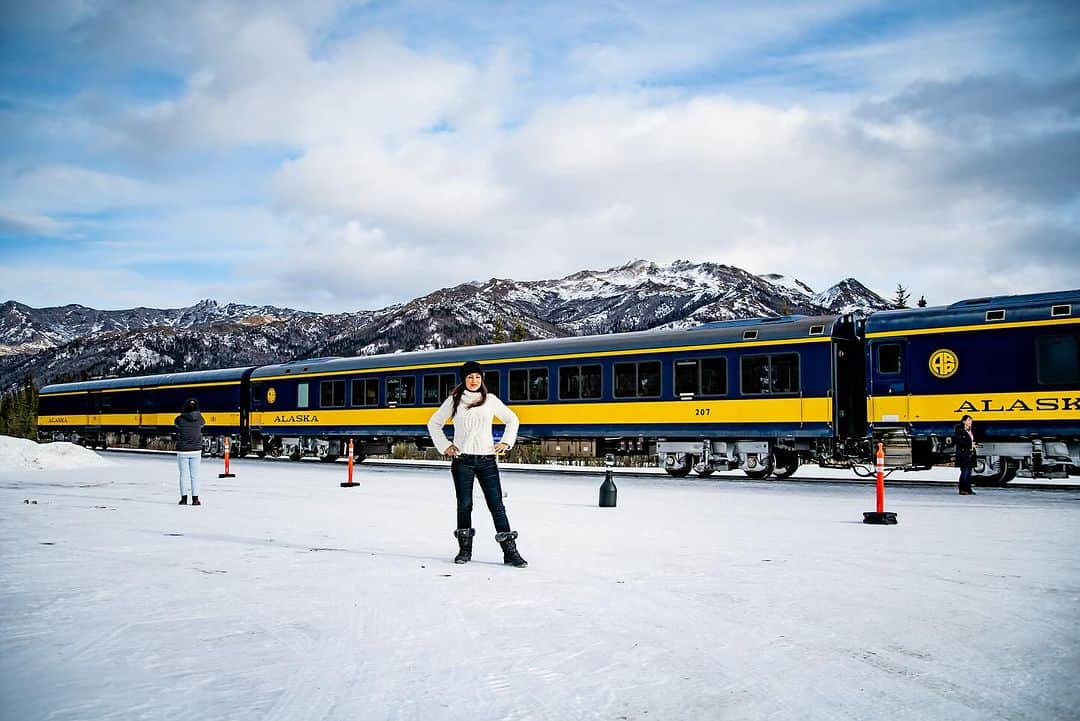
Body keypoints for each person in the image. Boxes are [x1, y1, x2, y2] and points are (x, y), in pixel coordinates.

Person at [427, 361, 526, 567]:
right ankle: (464, 551)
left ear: (482, 379)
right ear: (464, 379)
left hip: (487, 461)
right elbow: (434, 423)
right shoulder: (454, 401)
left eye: (478, 377)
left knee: (497, 506)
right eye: (470, 377)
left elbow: (512, 419)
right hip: (462, 461)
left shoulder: (490, 400)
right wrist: (445, 445)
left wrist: (507, 441)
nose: (474, 381)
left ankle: (510, 553)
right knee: (464, 505)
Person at [174, 397, 206, 505]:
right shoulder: (200, 418)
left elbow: (177, 425)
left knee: (183, 475)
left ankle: (183, 499)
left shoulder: (179, 418)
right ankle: (195, 499)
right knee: (195, 476)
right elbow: (203, 424)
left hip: (183, 450)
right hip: (196, 450)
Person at [954, 414, 976, 495]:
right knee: (964, 471)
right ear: (964, 421)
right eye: (968, 420)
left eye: (971, 420)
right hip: (963, 453)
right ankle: (962, 489)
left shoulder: (971, 430)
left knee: (969, 472)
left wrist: (973, 444)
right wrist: (970, 445)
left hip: (971, 452)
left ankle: (968, 488)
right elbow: (959, 441)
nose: (970, 422)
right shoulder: (959, 430)